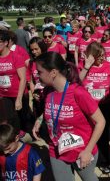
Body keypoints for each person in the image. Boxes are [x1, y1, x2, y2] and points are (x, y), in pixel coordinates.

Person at [32, 52, 105, 181]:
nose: (37, 75)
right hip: (56, 149)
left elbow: (100, 121)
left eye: (40, 72)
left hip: (81, 151)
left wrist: (87, 151)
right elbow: (52, 109)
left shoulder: (78, 92)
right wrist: (39, 120)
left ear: (53, 72)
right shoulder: (48, 91)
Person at [79, 42, 110, 173]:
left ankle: (105, 160)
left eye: (103, 56)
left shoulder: (109, 65)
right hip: (88, 106)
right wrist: (87, 67)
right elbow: (77, 82)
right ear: (92, 56)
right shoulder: (83, 65)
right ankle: (89, 156)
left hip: (105, 104)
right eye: (99, 57)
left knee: (103, 133)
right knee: (88, 132)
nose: (102, 59)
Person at [0, 30, 26, 130]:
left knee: (22, 118)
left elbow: (23, 78)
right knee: (9, 119)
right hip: (3, 95)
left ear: (6, 43)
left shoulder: (16, 57)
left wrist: (19, 98)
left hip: (16, 94)